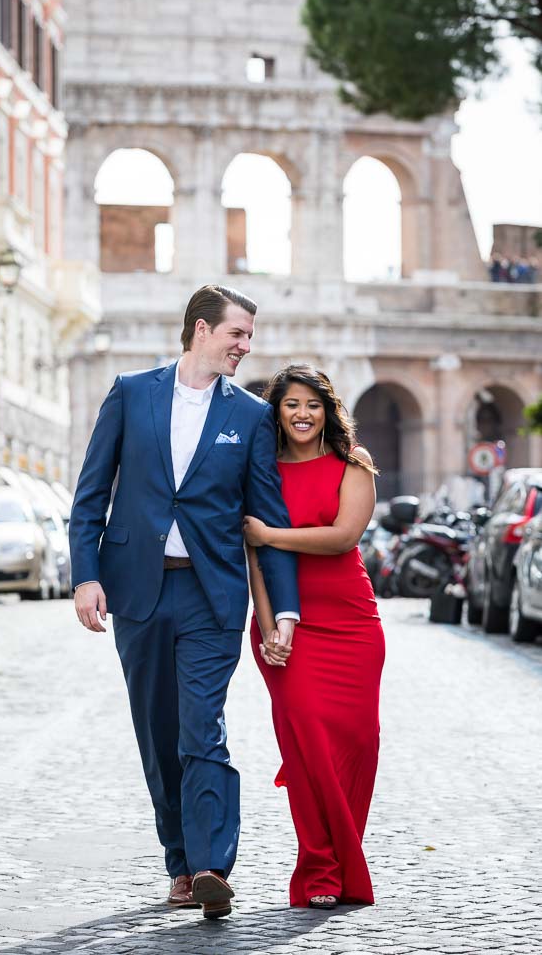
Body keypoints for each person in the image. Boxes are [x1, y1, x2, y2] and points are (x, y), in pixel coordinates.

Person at [69, 285, 299, 919]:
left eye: (249, 336)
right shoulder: (131, 392)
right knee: (158, 731)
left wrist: (284, 608)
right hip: (137, 588)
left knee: (203, 727)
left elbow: (267, 514)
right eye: (238, 334)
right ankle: (179, 861)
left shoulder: (250, 415)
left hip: (210, 593)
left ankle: (210, 866)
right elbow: (91, 496)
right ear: (202, 330)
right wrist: (86, 576)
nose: (246, 347)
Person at [243, 364, 385, 910]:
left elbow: (343, 537)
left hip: (351, 624)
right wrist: (265, 623)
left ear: (328, 411)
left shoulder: (353, 466)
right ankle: (321, 867)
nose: (302, 415)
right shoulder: (261, 471)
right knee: (304, 747)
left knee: (355, 744)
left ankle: (344, 857)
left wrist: (271, 532)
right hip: (285, 627)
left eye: (313, 405)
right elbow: (255, 560)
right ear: (276, 413)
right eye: (291, 405)